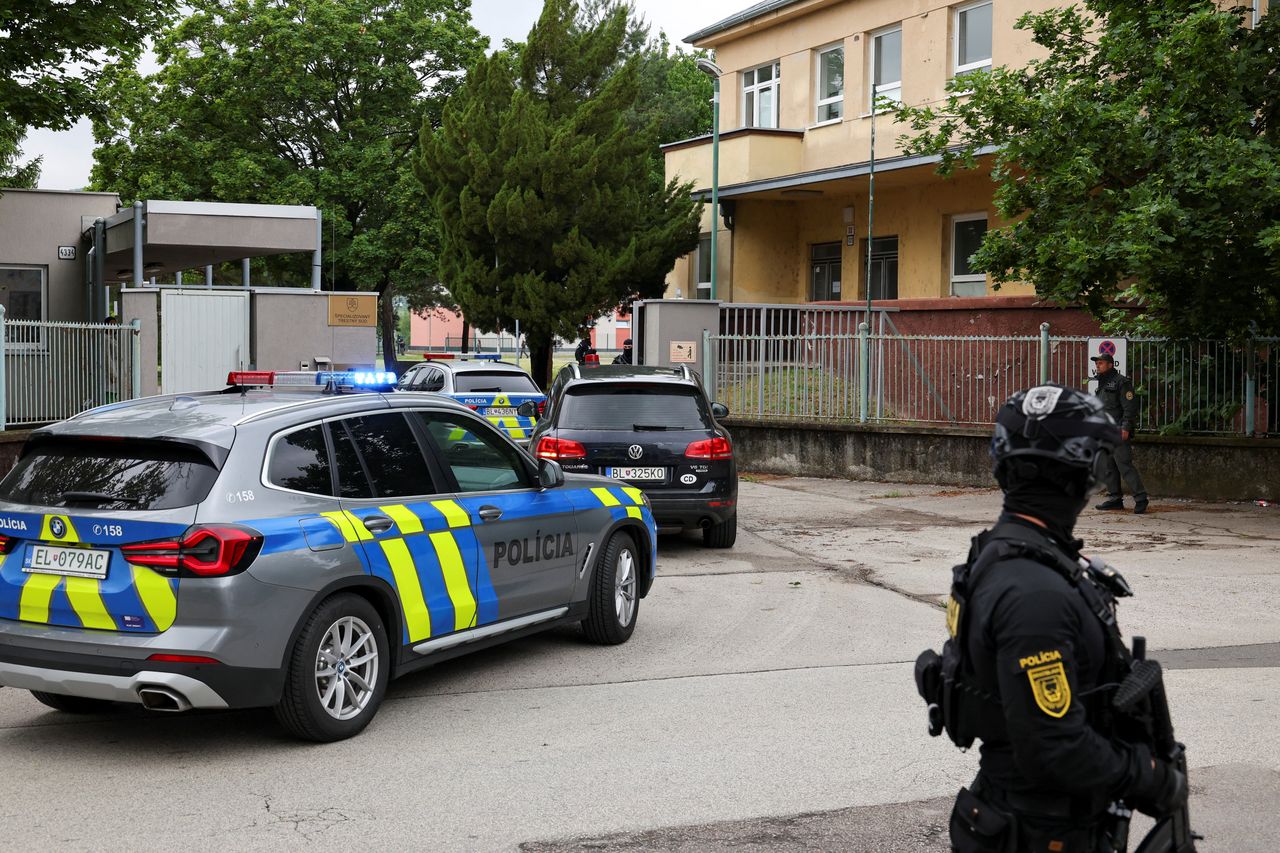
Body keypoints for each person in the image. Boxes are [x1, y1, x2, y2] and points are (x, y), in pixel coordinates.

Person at [914, 385, 1187, 853]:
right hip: (1040, 831)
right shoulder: (1033, 591)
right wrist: (1150, 777)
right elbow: (1053, 747)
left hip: (1031, 819)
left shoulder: (1014, 557)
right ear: (1076, 474)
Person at [1091, 352, 1149, 514]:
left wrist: (1125, 428)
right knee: (1109, 466)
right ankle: (1115, 499)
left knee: (1124, 465)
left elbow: (1129, 408)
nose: (1098, 365)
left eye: (1101, 363)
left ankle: (1141, 498)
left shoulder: (1122, 383)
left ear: (1111, 365)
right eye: (1097, 363)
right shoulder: (1103, 383)